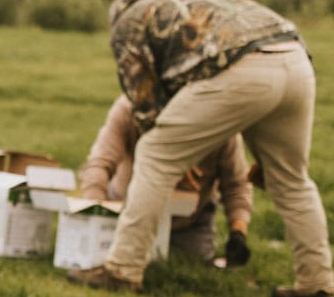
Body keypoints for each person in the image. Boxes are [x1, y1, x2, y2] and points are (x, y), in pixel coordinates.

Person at [66, 0, 334, 297]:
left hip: (240, 68)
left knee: (155, 153)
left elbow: (146, 110)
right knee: (292, 179)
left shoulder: (128, 22)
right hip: (295, 60)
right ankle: (315, 286)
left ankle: (122, 269)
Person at [78, 95, 253, 265]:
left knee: (190, 262)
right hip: (125, 212)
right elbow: (99, 164)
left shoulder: (221, 124)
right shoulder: (129, 108)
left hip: (188, 221)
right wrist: (96, 213)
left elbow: (236, 185)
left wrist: (238, 233)